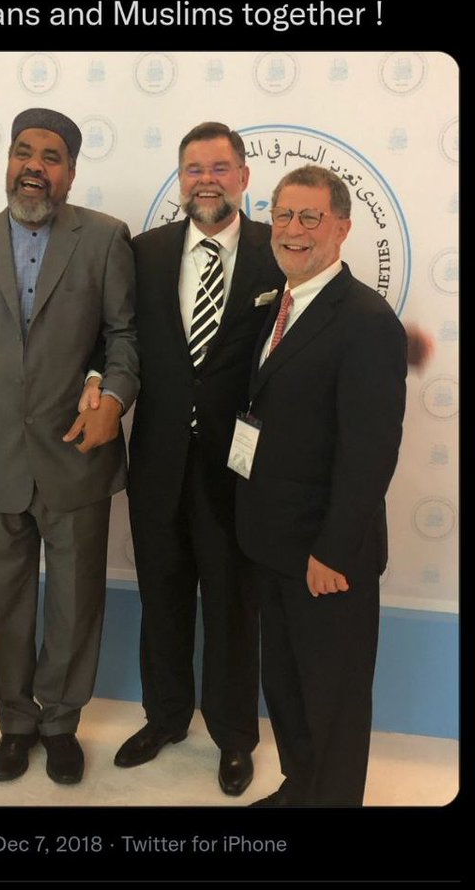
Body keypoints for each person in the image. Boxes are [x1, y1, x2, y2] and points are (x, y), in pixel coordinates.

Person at [0, 108, 139, 785]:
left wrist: (114, 398)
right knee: (6, 597)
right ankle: (15, 722)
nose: (33, 166)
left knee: (75, 599)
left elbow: (125, 339)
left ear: (70, 172)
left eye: (50, 156)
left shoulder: (105, 238)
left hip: (78, 454)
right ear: (8, 161)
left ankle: (61, 722)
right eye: (22, 152)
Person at [93, 121, 284, 796]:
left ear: (243, 177)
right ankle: (166, 717)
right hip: (159, 464)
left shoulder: (276, 251)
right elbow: (114, 337)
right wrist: (96, 383)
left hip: (237, 471)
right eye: (194, 169)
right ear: (180, 179)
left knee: (233, 607)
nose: (206, 180)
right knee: (163, 598)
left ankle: (234, 738)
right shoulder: (143, 253)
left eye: (219, 168)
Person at [237, 165, 407, 807]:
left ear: (342, 228)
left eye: (310, 217)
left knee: (333, 698)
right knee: (286, 686)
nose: (294, 229)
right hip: (272, 543)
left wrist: (333, 552)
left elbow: (371, 453)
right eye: (283, 215)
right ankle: (300, 788)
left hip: (325, 556)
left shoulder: (365, 320)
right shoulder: (277, 304)